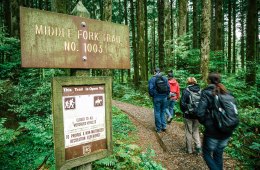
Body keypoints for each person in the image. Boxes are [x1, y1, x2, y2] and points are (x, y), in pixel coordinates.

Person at [196, 73, 234, 170]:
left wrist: (207, 124)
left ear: (208, 81)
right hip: (227, 129)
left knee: (207, 154)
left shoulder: (207, 92)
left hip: (213, 131)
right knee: (218, 153)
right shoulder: (226, 92)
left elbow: (200, 113)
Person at [180, 77, 202, 154]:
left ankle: (189, 150)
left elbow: (182, 104)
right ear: (195, 82)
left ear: (188, 82)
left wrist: (185, 111)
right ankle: (198, 147)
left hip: (188, 115)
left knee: (188, 131)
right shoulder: (200, 90)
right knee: (196, 131)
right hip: (197, 115)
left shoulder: (186, 91)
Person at [148, 68, 170, 133]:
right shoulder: (165, 78)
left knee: (157, 112)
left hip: (156, 97)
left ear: (154, 72)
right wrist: (166, 95)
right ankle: (164, 126)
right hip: (164, 97)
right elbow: (168, 88)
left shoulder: (152, 79)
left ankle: (158, 128)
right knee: (162, 111)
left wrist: (153, 95)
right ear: (159, 72)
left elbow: (150, 89)